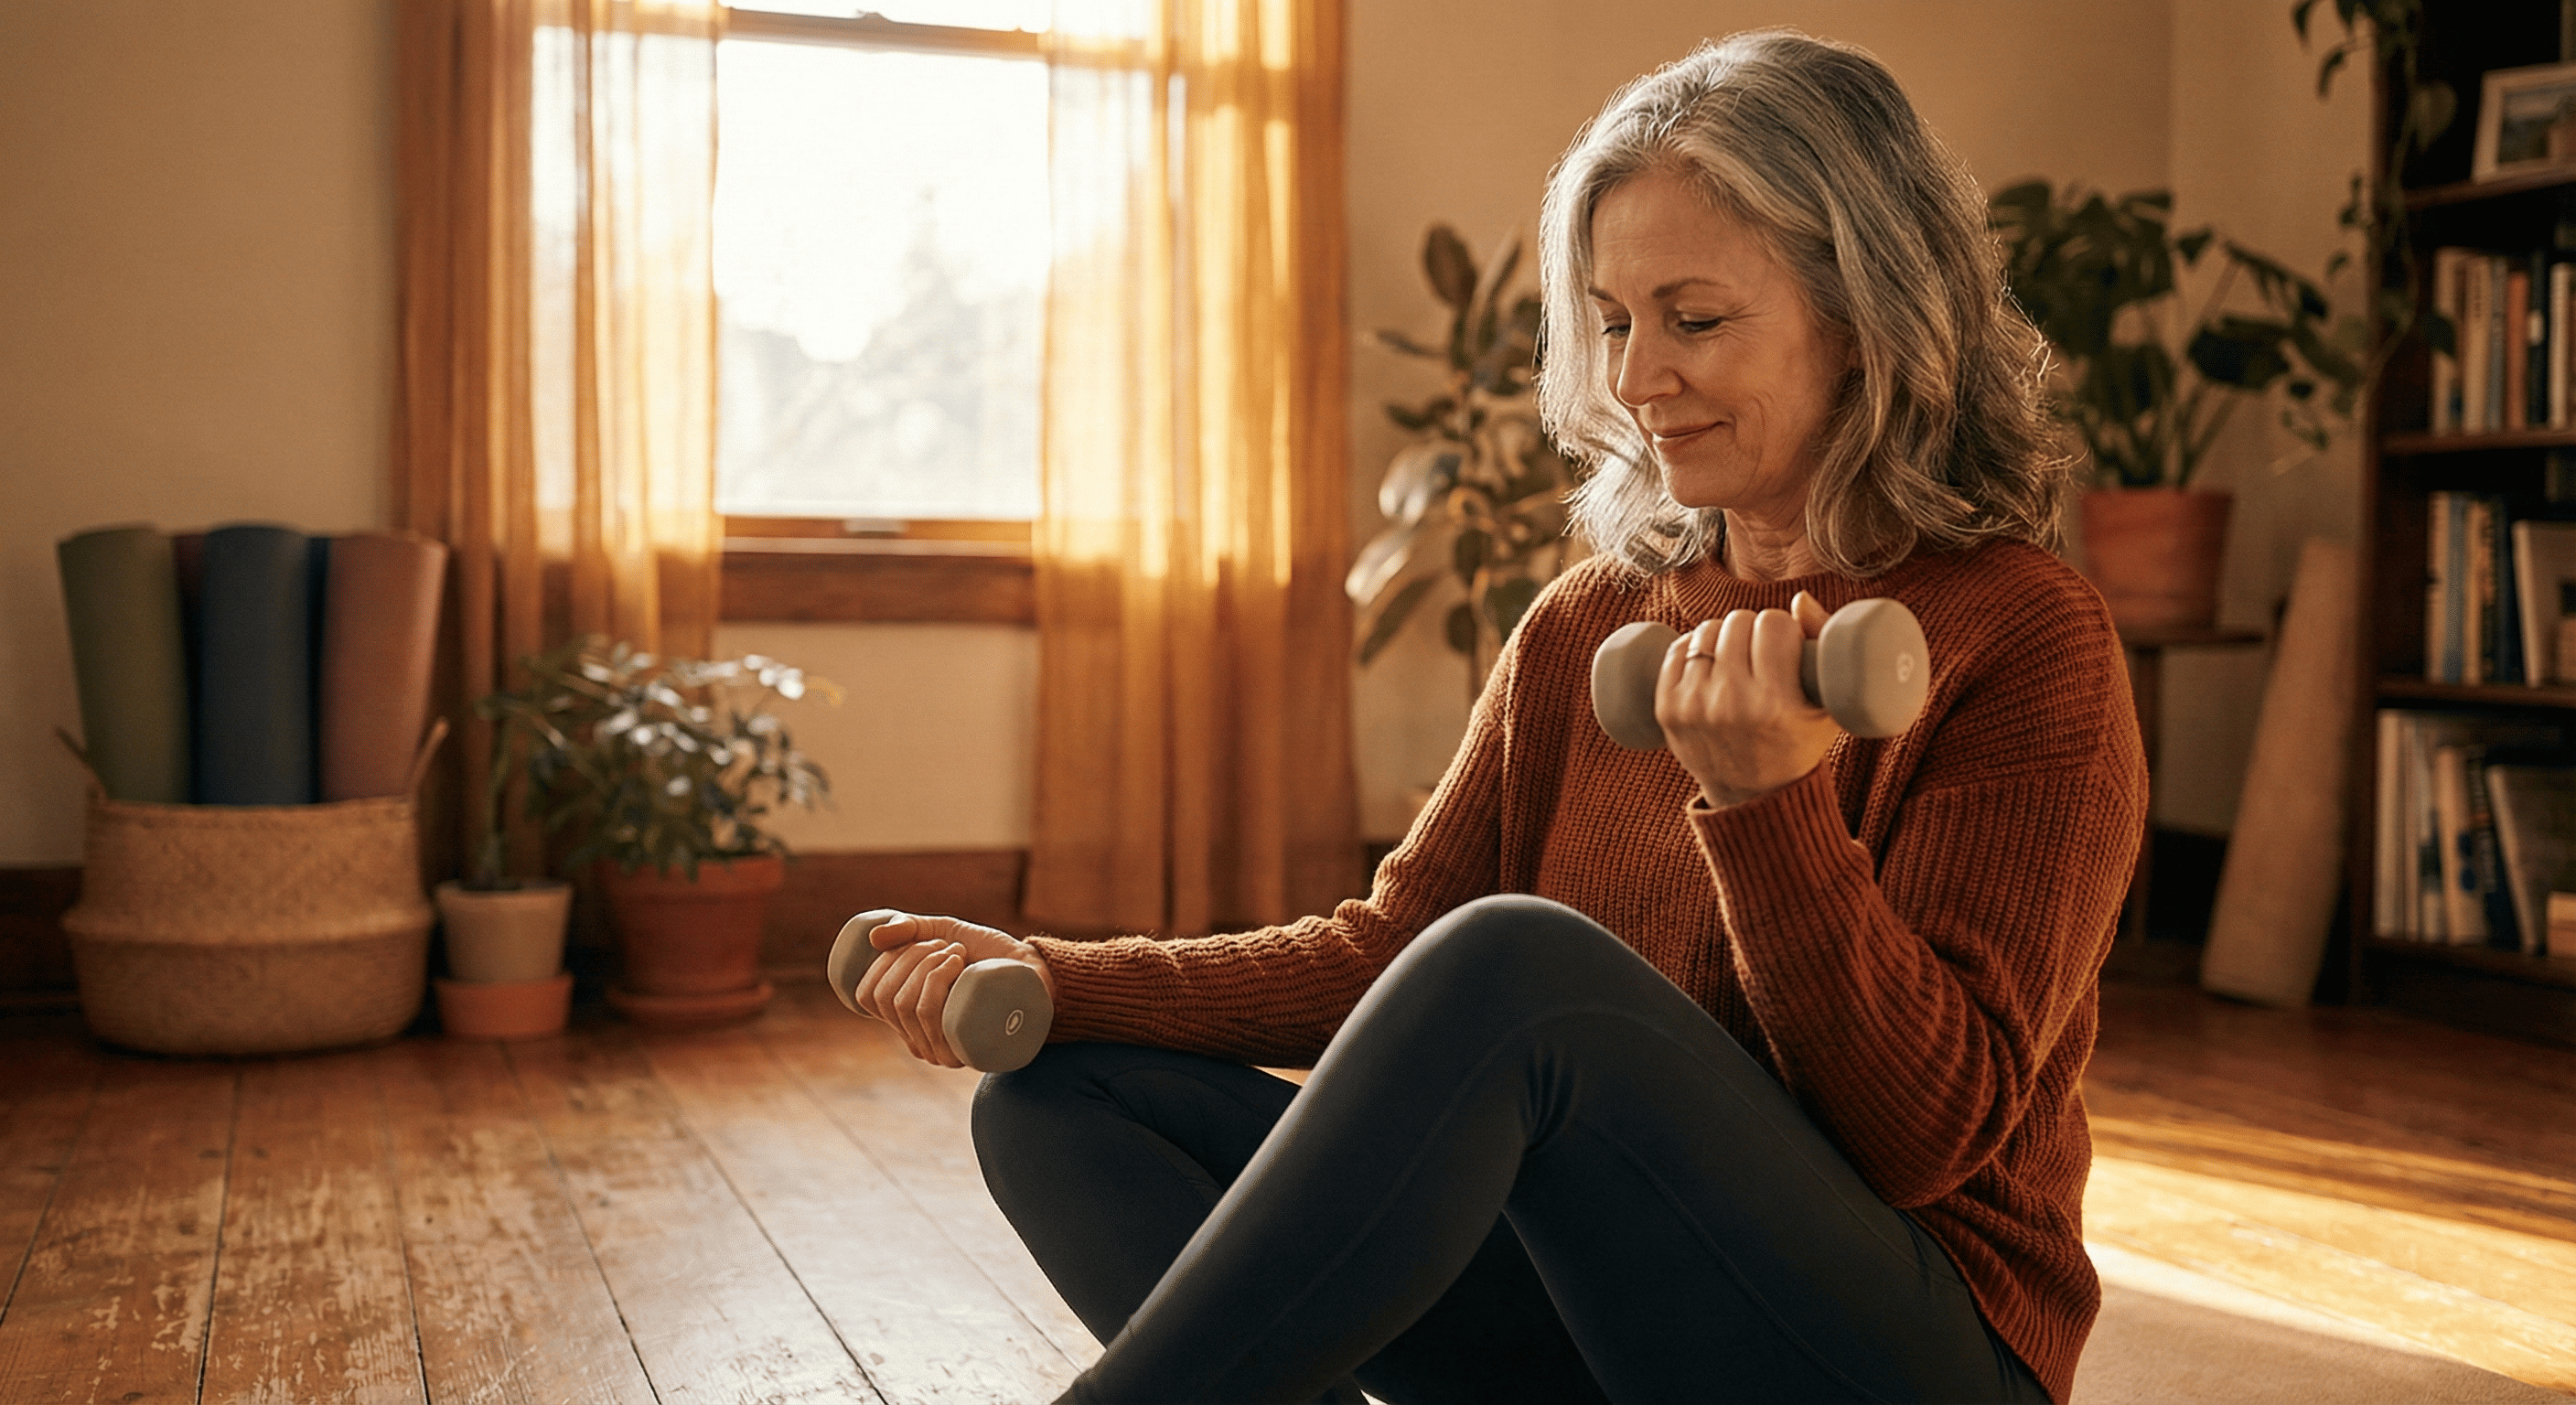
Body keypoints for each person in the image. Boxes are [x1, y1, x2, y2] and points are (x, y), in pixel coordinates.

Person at [853, 28, 2144, 1405]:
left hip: (1901, 1351)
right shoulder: (1591, 625)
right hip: (1597, 1338)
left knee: (1525, 966)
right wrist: (1059, 980)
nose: (1639, 380)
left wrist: (1771, 809)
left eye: (1695, 318)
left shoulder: (2025, 639)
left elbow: (1918, 1142)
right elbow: (1393, 958)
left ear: (1867, 313)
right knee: (1059, 1099)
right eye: (1612, 319)